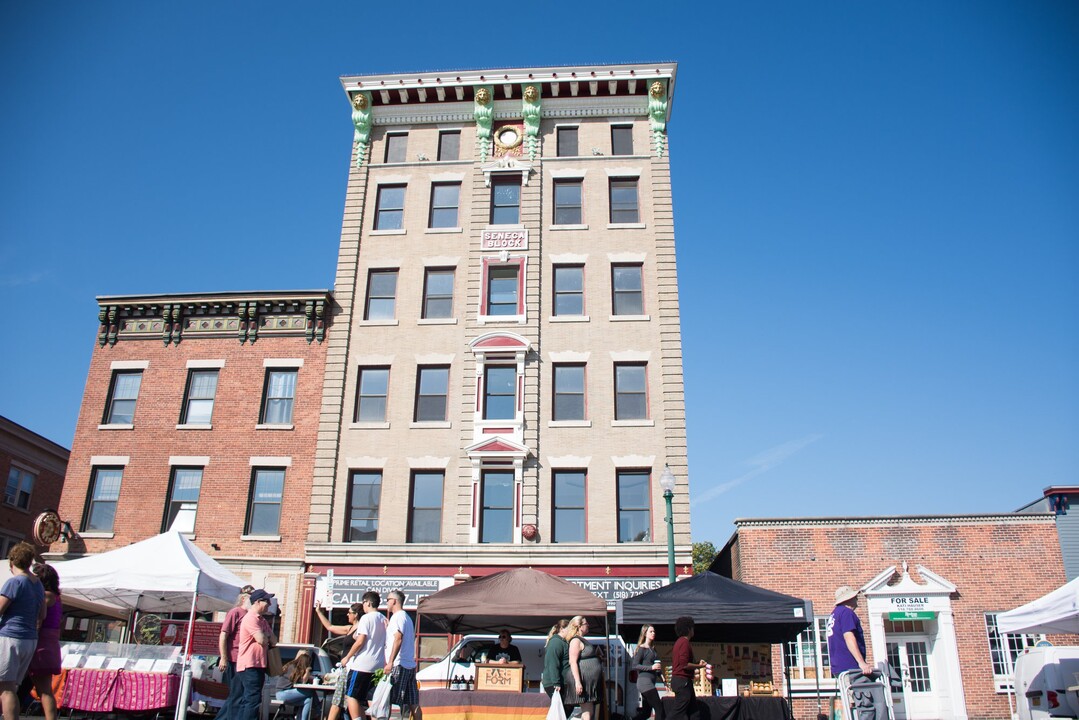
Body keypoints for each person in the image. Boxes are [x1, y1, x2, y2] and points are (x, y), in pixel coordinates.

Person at [0, 542, 46, 720]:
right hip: (29, 639)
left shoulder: (15, 582)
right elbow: (42, 614)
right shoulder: (38, 585)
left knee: (6, 689)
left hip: (10, 637)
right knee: (10, 687)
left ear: (12, 562)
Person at [313, 601, 362, 720]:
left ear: (356, 615)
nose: (347, 615)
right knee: (346, 702)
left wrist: (347, 657)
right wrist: (319, 612)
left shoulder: (361, 628)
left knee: (338, 702)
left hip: (351, 668)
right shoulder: (350, 628)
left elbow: (360, 644)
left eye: (349, 612)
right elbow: (330, 627)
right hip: (345, 668)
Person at [340, 592, 386, 720]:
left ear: (368, 603)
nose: (363, 606)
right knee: (371, 698)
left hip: (362, 664)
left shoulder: (366, 618)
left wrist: (347, 657)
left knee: (351, 696)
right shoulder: (383, 619)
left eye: (364, 603)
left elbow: (360, 641)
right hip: (378, 665)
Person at [237, 588, 278, 720]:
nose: (270, 605)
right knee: (252, 700)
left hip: (259, 665)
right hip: (249, 665)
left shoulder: (262, 621)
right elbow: (262, 640)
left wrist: (265, 636)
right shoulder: (250, 618)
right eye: (267, 601)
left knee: (250, 700)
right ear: (258, 602)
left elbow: (274, 640)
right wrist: (265, 636)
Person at [27, 563, 62, 720]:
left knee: (44, 690)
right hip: (49, 643)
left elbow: (38, 619)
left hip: (42, 643)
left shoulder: (46, 596)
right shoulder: (56, 596)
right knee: (44, 689)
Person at [218, 585, 255, 720]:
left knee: (241, 695)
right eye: (251, 597)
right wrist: (224, 657)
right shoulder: (235, 612)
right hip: (234, 659)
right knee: (236, 694)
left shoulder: (250, 615)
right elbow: (223, 635)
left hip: (246, 660)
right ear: (244, 597)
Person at [383, 590, 421, 720]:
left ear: (394, 601)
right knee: (413, 702)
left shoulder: (398, 616)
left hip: (399, 665)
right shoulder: (407, 617)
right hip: (409, 665)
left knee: (392, 700)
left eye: (388, 599)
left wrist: (390, 662)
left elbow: (398, 638)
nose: (386, 602)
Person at [563, 616, 602, 720]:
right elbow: (573, 661)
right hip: (583, 681)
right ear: (579, 626)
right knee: (587, 714)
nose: (588, 625)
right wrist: (578, 682)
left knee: (589, 713)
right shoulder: (575, 640)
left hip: (589, 682)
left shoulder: (583, 640)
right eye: (586, 624)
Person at [827, 585, 872, 675]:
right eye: (855, 597)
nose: (857, 599)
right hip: (850, 667)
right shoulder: (846, 613)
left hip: (839, 667)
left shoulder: (835, 614)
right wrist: (861, 662)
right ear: (848, 599)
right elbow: (849, 637)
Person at [669, 616, 706, 720]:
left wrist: (697, 663)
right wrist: (700, 666)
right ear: (689, 629)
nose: (693, 630)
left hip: (683, 681)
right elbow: (684, 664)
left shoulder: (680, 642)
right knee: (678, 712)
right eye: (692, 628)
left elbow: (684, 662)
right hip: (682, 681)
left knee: (694, 713)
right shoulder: (684, 642)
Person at [274, 650, 321, 720]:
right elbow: (303, 682)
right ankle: (318, 711)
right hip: (282, 693)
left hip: (287, 692)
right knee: (311, 692)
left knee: (308, 700)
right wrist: (307, 671)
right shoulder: (293, 667)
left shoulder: (294, 666)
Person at [630, 624, 665, 720]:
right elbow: (635, 665)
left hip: (650, 682)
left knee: (646, 713)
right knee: (659, 709)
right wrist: (651, 667)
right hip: (645, 683)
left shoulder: (653, 650)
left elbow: (656, 667)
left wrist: (662, 677)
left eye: (654, 631)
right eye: (651, 631)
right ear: (645, 633)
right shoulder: (642, 648)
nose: (653, 633)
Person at [542, 620, 572, 717]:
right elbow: (552, 663)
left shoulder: (563, 642)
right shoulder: (556, 642)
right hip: (554, 683)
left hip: (561, 682)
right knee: (561, 710)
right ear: (562, 629)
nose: (572, 631)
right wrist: (556, 682)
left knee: (565, 709)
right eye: (570, 629)